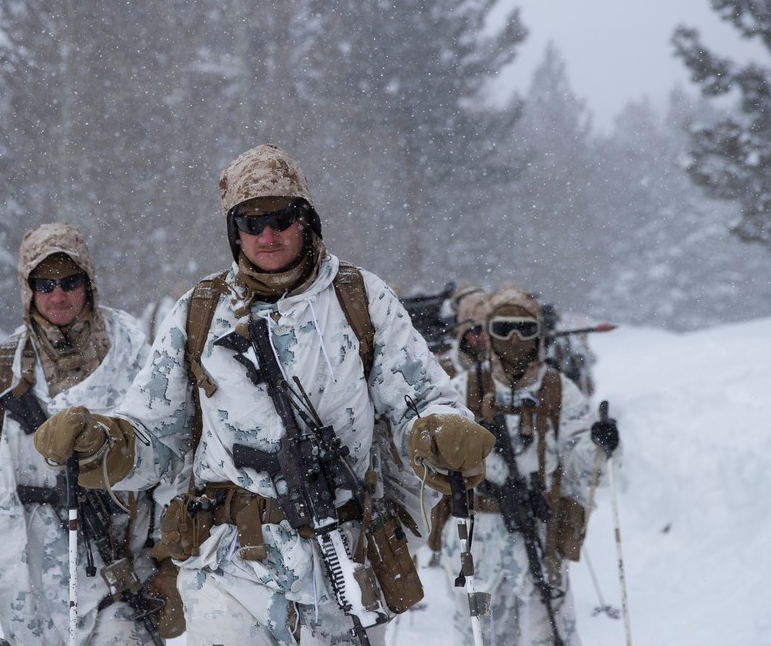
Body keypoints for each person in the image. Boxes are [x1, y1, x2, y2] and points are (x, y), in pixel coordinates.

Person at [32, 144, 494, 646]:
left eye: (281, 218)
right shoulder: (199, 313)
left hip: (342, 559)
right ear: (235, 233)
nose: (268, 235)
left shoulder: (360, 298)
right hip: (228, 567)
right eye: (251, 223)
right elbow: (153, 430)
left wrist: (440, 431)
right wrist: (103, 441)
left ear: (307, 220)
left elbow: (420, 400)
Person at [0, 222, 175, 646]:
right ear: (28, 289)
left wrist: (170, 563)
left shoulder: (137, 360)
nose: (58, 296)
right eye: (45, 284)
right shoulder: (0, 370)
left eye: (70, 281)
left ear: (88, 283)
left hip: (120, 579)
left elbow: (169, 460)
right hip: (21, 588)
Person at [435, 282, 619, 646]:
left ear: (539, 335)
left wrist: (600, 444)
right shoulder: (461, 389)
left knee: (550, 634)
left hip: (540, 530)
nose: (515, 339)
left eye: (525, 330)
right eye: (503, 329)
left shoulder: (558, 389)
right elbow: (432, 462)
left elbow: (581, 461)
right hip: (478, 540)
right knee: (482, 636)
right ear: (488, 333)